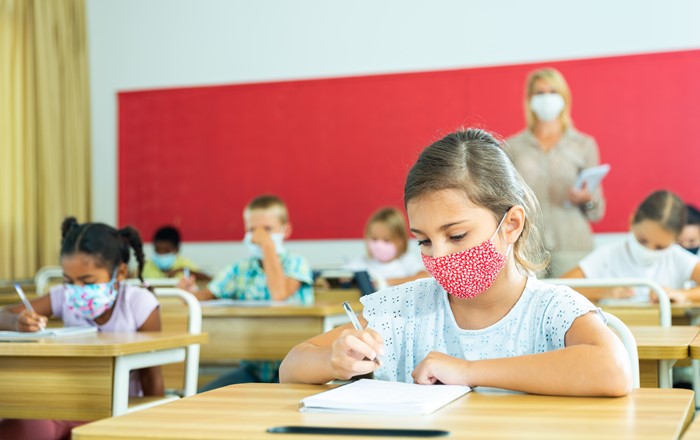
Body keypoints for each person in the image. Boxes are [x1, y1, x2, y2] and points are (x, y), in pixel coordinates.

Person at [279, 128, 631, 397]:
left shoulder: (551, 309)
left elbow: (613, 369)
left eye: (457, 235)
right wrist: (332, 360)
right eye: (424, 240)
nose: (440, 255)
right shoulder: (404, 309)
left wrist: (468, 371)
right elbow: (292, 365)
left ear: (510, 225)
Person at [0, 218, 162, 440]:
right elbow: (4, 315)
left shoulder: (139, 304)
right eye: (69, 280)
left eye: (88, 281)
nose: (77, 290)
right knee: (22, 426)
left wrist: (155, 427)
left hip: (119, 407)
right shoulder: (62, 297)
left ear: (120, 273)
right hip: (65, 402)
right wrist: (17, 322)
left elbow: (151, 376)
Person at [179, 194, 313, 390]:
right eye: (253, 230)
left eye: (267, 230)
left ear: (286, 230)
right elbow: (206, 295)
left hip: (293, 371)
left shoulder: (297, 263)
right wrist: (189, 293)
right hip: (252, 370)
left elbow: (279, 294)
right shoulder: (239, 270)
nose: (258, 237)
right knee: (201, 398)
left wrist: (268, 246)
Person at [506, 67, 605, 277]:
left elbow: (598, 211)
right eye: (540, 93)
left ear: (564, 98)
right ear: (530, 100)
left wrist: (587, 198)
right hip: (527, 244)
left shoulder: (583, 145)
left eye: (553, 92)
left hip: (573, 243)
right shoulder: (513, 146)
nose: (546, 98)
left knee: (574, 305)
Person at [563, 190, 700, 303]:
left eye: (660, 247)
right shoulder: (608, 255)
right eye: (642, 240)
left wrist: (681, 294)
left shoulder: (676, 257)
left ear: (676, 239)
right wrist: (601, 291)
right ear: (632, 221)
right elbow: (559, 288)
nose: (649, 251)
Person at [343, 207, 429, 286]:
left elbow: (424, 277)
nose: (379, 245)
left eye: (386, 240)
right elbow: (339, 276)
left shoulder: (407, 260)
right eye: (374, 238)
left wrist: (385, 282)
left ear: (400, 241)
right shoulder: (362, 262)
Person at [142, 225, 210, 281]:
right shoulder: (147, 265)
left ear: (176, 249)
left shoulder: (184, 264)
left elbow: (208, 279)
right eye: (158, 250)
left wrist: (182, 270)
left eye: (166, 251)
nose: (162, 254)